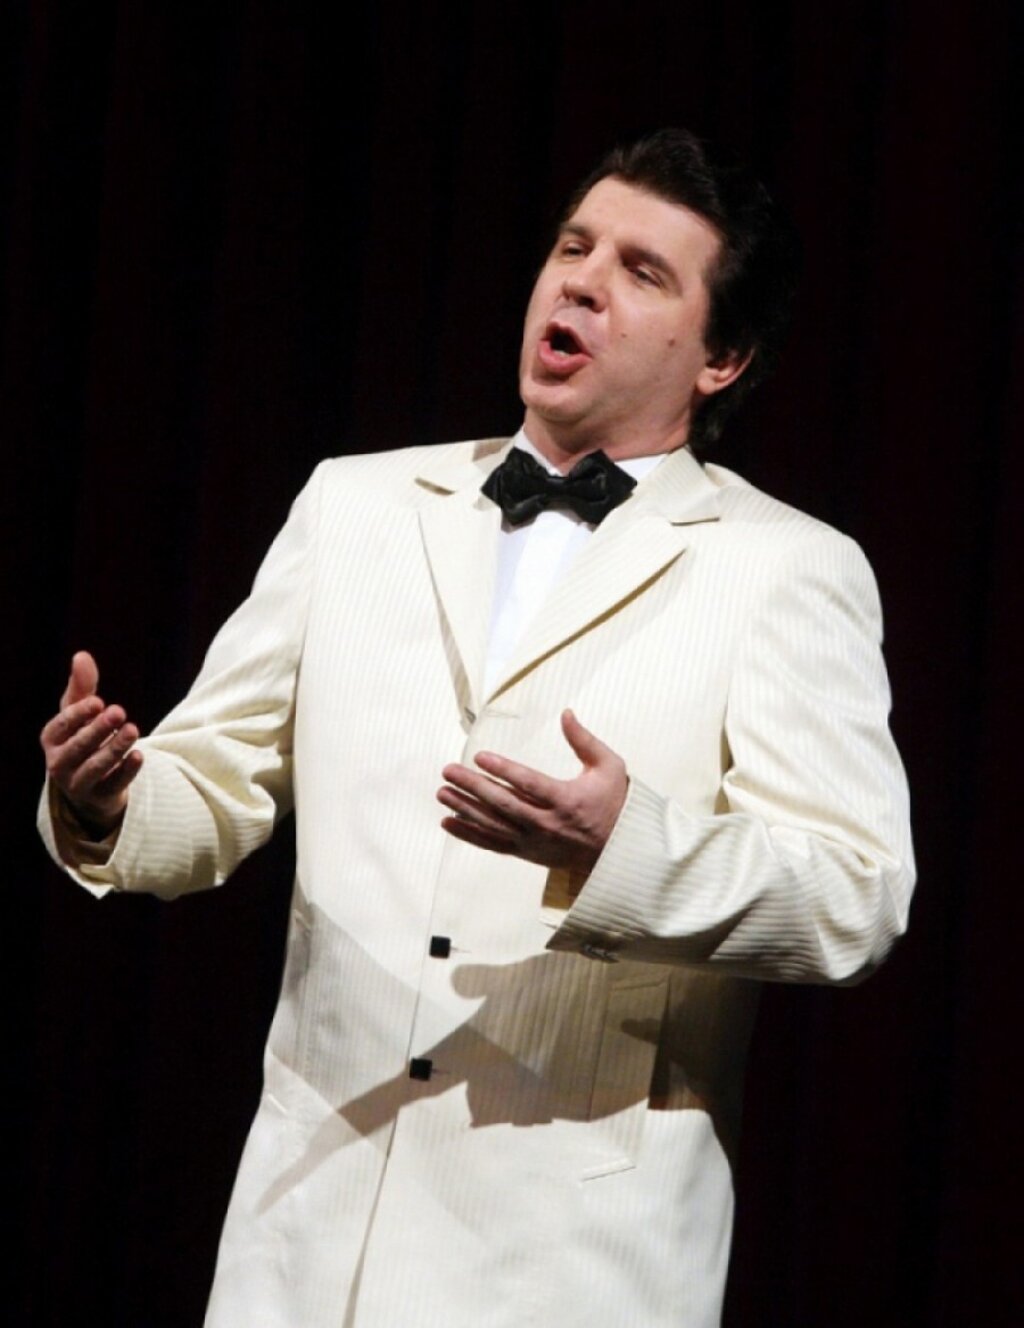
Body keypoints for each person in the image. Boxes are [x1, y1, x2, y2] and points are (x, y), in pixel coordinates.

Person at [39, 129, 915, 1328]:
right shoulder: (355, 504)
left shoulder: (783, 568)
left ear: (722, 358)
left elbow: (853, 895)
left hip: (569, 1265)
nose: (581, 282)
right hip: (305, 1245)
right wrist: (109, 800)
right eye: (573, 247)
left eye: (642, 272)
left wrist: (624, 848)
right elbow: (211, 786)